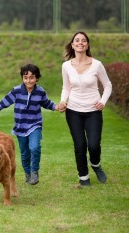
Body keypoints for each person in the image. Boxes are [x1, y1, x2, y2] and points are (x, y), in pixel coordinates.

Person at [0, 64, 59, 185]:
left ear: (36, 78)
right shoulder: (17, 90)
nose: (29, 80)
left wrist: (56, 107)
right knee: (25, 152)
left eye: (32, 77)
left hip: (35, 125)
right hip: (20, 127)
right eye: (25, 77)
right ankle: (27, 174)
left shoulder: (40, 91)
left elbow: (46, 103)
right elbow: (5, 102)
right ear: (22, 78)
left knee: (35, 147)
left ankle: (34, 172)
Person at [60, 31, 112, 187]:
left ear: (87, 45)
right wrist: (63, 101)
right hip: (73, 110)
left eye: (84, 40)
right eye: (77, 40)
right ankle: (83, 178)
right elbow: (66, 87)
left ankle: (95, 164)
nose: (80, 43)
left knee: (94, 145)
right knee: (80, 145)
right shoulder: (66, 66)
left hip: (93, 111)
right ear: (72, 44)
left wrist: (103, 101)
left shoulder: (97, 64)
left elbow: (108, 85)